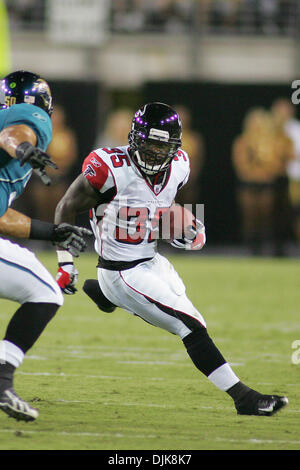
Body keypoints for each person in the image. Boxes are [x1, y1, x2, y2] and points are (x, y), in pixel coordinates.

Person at [55, 102, 288, 417]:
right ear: (134, 138)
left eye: (163, 146)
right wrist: (65, 262)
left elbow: (162, 205)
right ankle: (243, 398)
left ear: (175, 146)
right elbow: (66, 205)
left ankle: (107, 296)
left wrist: (183, 229)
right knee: (190, 324)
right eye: (150, 144)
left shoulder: (180, 164)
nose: (155, 153)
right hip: (122, 270)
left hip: (151, 259)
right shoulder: (109, 166)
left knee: (183, 309)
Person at [0, 70, 92, 422]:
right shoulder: (30, 116)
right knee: (45, 293)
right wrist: (23, 148)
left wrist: (49, 232)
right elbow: (15, 133)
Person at [232, 107, 294, 255]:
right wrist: (253, 173)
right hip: (249, 183)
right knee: (250, 216)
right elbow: (240, 163)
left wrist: (265, 173)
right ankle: (252, 247)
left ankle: (269, 246)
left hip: (266, 183)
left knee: (267, 216)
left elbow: (275, 162)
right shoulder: (242, 141)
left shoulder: (271, 142)